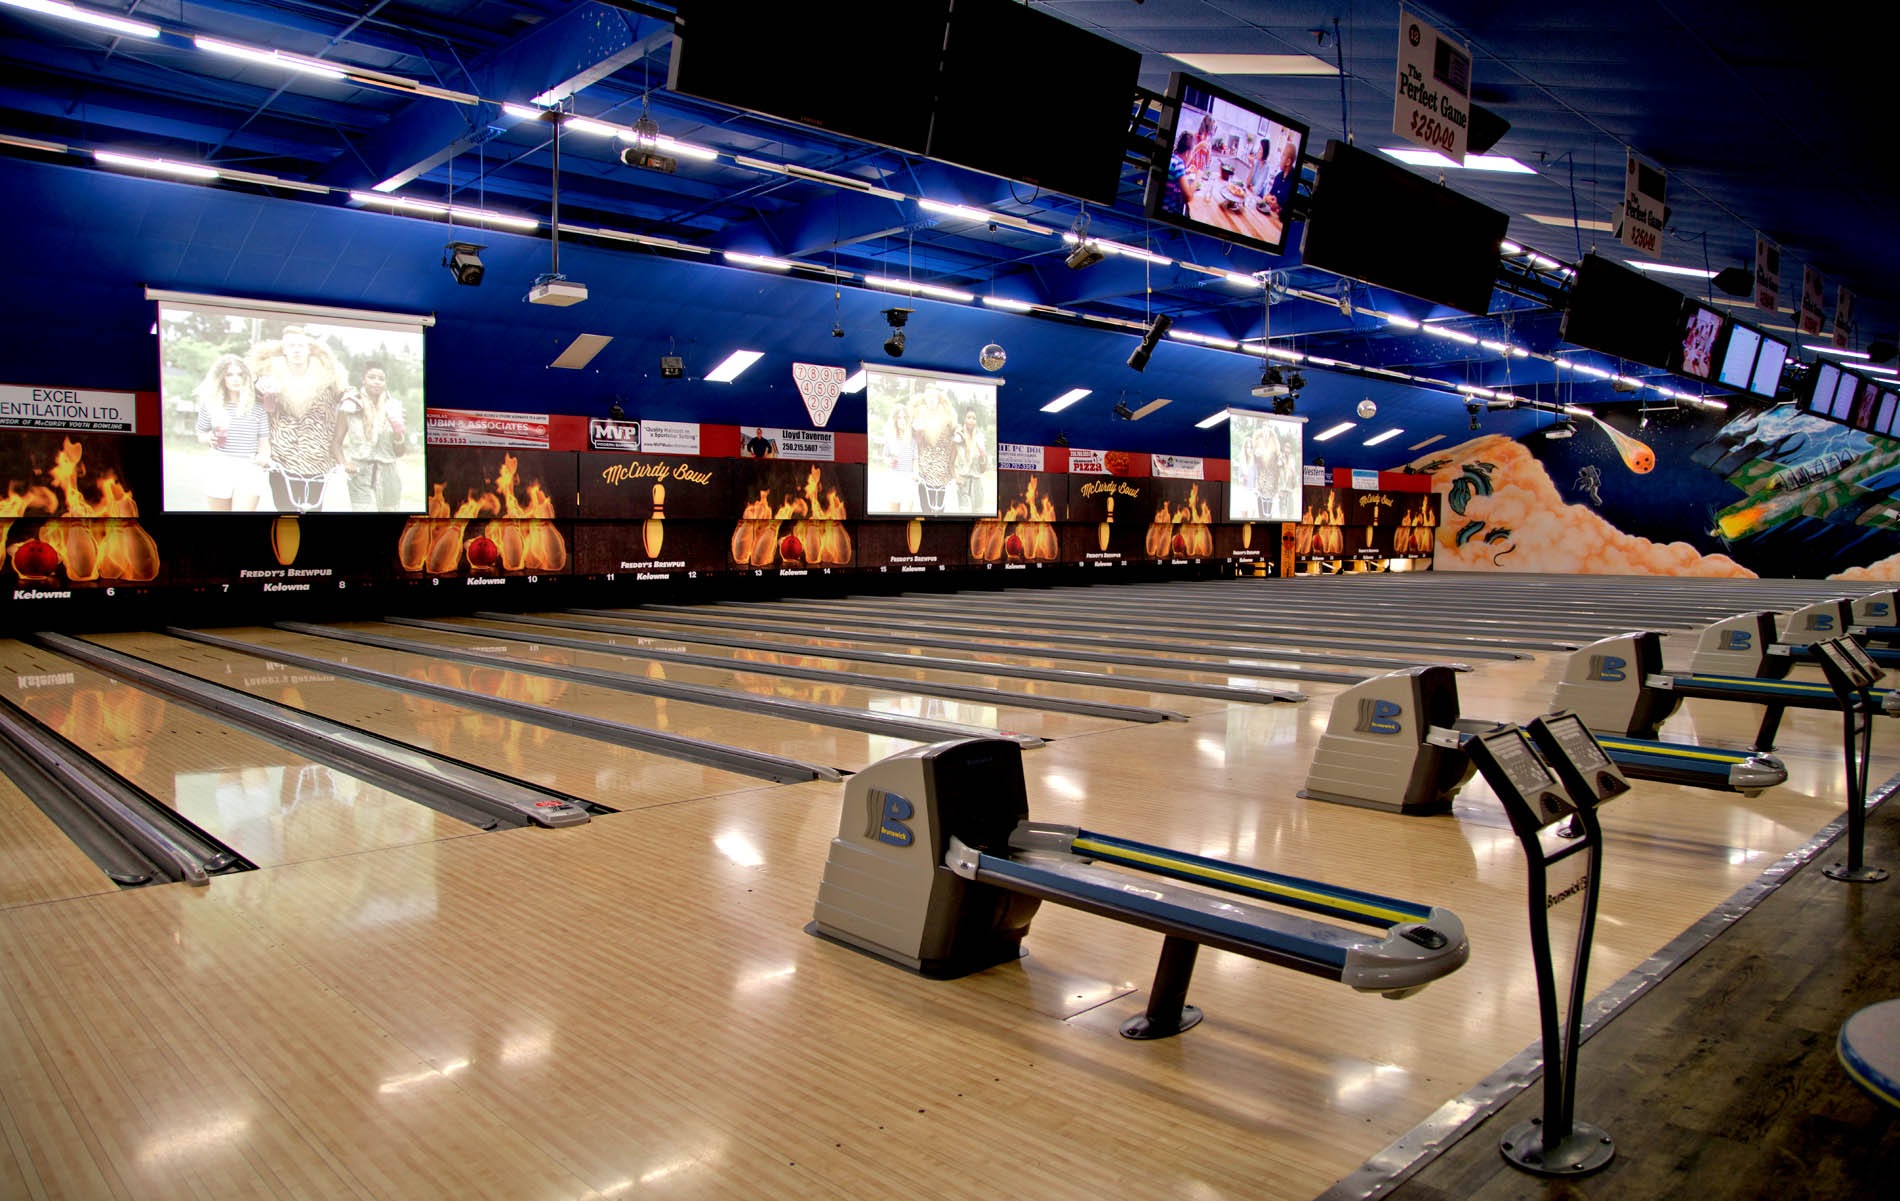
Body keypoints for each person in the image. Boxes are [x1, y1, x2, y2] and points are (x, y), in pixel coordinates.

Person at [249, 325, 353, 512]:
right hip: (281, 457)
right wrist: (263, 390)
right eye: (291, 346)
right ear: (284, 350)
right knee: (285, 510)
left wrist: (349, 402)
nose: (296, 350)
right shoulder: (268, 373)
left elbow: (347, 393)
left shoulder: (329, 374)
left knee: (314, 509)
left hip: (317, 456)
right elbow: (259, 405)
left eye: (300, 345)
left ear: (309, 349)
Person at [192, 352, 270, 511]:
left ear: (246, 378)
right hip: (220, 465)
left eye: (240, 374)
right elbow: (201, 434)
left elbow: (264, 443)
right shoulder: (211, 405)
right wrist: (209, 439)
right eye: (229, 375)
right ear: (222, 378)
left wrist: (263, 457)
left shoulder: (258, 408)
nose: (236, 379)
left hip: (249, 467)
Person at [340, 361, 407, 510]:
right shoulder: (350, 405)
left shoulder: (394, 407)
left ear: (385, 382)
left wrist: (398, 432)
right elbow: (336, 442)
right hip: (360, 473)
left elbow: (400, 452)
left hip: (389, 474)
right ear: (363, 379)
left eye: (381, 378)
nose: (376, 381)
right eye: (372, 377)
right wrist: (345, 463)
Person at [952, 407, 991, 513]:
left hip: (977, 484)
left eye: (974, 418)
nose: (971, 420)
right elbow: (950, 463)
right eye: (969, 417)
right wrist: (956, 478)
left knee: (978, 517)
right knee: (964, 516)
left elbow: (983, 469)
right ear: (964, 419)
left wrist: (983, 458)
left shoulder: (980, 438)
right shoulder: (958, 437)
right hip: (963, 483)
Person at [1162, 130, 1198, 217]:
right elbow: (1188, 197)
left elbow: (1173, 174)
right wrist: (1198, 177)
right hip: (1168, 211)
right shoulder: (1179, 163)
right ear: (1187, 153)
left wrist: (1186, 171)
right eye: (1191, 154)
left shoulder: (1173, 157)